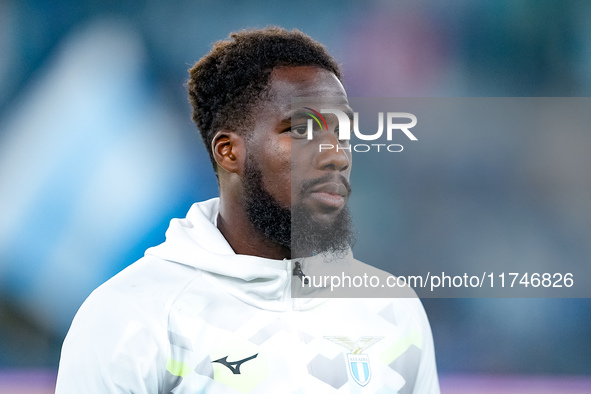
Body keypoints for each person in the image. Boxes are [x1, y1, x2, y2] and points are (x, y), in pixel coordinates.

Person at [56, 27, 440, 393]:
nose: (336, 155)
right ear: (229, 152)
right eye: (302, 131)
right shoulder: (131, 316)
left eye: (341, 133)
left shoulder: (392, 308)